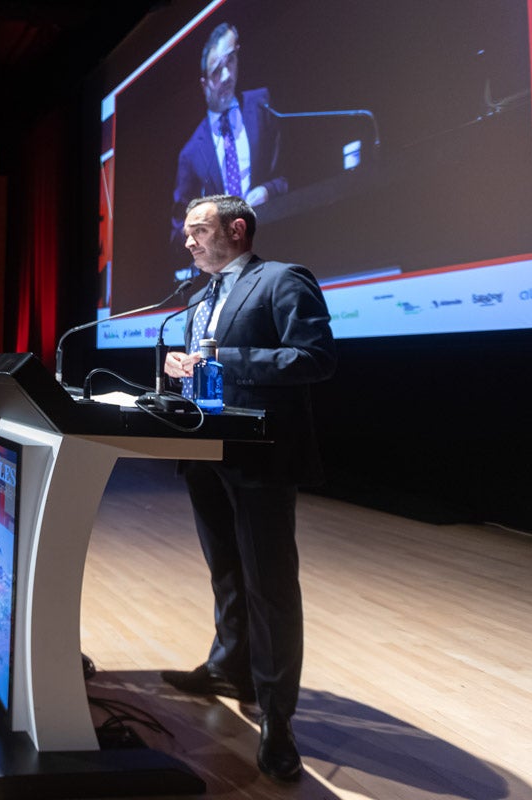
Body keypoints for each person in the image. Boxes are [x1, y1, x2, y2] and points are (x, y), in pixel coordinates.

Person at [162, 194, 336, 782]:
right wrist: (181, 370)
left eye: (199, 230)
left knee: (270, 587)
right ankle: (227, 667)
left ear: (237, 230)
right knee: (226, 575)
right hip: (206, 454)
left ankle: (279, 717)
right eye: (186, 232)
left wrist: (222, 357)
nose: (188, 241)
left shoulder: (282, 280)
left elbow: (314, 358)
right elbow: (204, 368)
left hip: (260, 456)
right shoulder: (198, 296)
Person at [169, 23, 286, 262]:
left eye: (230, 61)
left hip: (277, 244)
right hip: (225, 266)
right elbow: (178, 230)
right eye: (216, 71)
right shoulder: (191, 154)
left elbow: (290, 174)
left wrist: (267, 190)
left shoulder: (261, 105)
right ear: (204, 85)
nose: (226, 76)